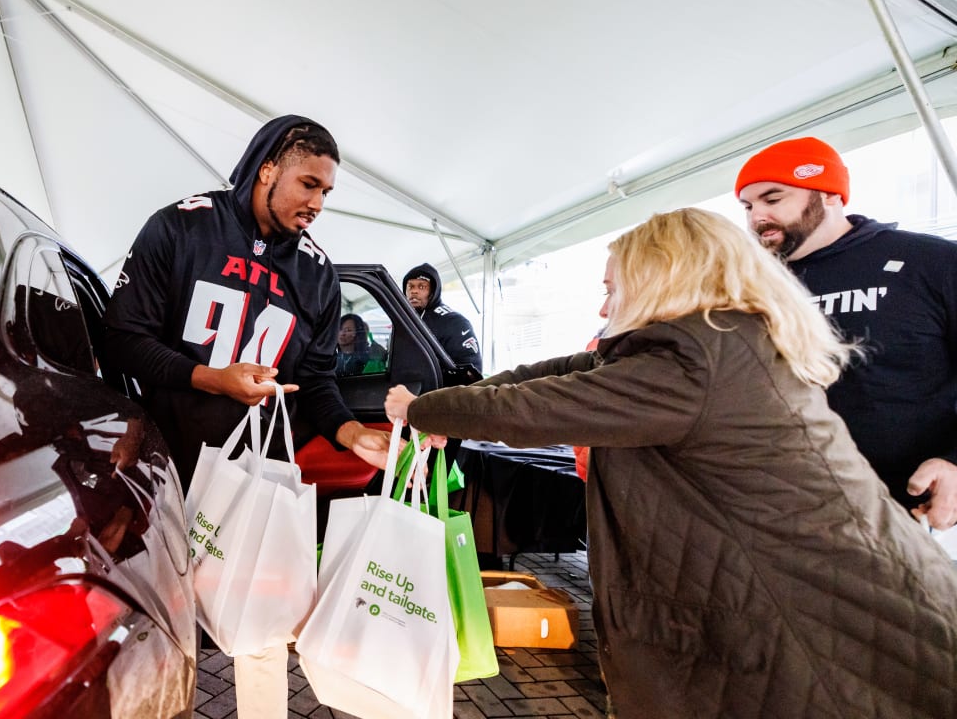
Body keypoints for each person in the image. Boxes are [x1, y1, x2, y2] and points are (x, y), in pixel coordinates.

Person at [384, 208, 957, 718]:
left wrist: (421, 410)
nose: (604, 305)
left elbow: (528, 408)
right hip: (839, 600)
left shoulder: (694, 364)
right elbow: (561, 371)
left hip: (828, 624)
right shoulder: (717, 343)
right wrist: (438, 412)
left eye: (614, 288)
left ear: (663, 281)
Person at [101, 115, 395, 719]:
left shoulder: (316, 274)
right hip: (166, 468)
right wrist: (211, 377)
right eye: (308, 184)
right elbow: (123, 335)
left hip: (256, 474)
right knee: (153, 625)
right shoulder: (180, 227)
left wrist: (351, 433)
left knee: (262, 627)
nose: (317, 203)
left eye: (327, 192)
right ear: (268, 169)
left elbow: (314, 380)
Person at [736, 136, 957, 531]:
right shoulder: (753, 288)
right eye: (748, 206)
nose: (756, 218)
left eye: (773, 199)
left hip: (902, 507)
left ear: (830, 195)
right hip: (782, 508)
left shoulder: (931, 262)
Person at [402, 262, 482, 371]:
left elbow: (472, 374)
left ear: (433, 291)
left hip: (440, 387)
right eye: (410, 286)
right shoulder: (403, 318)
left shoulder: (455, 322)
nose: (414, 291)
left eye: (422, 287)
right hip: (406, 384)